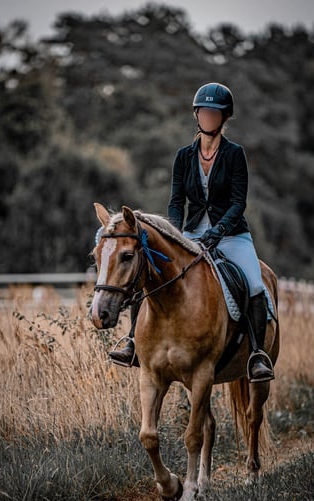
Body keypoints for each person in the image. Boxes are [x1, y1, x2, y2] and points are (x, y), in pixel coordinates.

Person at [109, 82, 274, 383]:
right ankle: (133, 341)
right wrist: (174, 233)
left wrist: (220, 230)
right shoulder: (183, 156)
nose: (208, 118)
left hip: (232, 235)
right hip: (190, 234)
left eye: (215, 113)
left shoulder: (235, 154)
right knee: (149, 272)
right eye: (204, 112)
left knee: (253, 284)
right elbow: (176, 201)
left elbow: (239, 203)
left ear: (224, 118)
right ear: (196, 115)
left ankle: (257, 355)